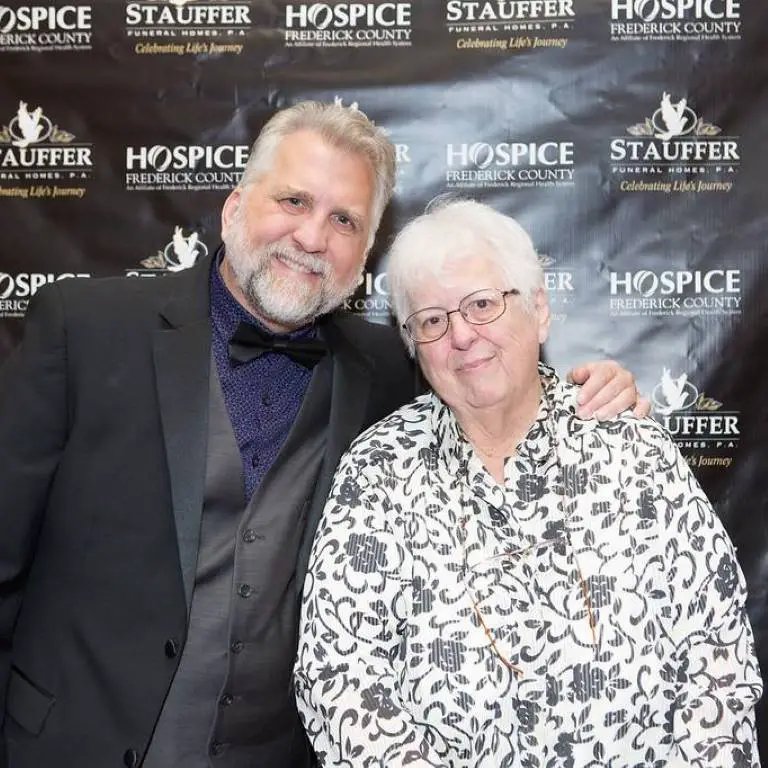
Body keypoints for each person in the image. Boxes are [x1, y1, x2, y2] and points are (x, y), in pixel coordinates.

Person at [0, 102, 644, 768]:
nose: (312, 237)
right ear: (234, 208)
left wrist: (589, 398)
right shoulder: (86, 330)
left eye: (344, 220)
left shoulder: (396, 371)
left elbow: (493, 388)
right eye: (293, 200)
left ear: (365, 253)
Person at [294, 199, 762, 768]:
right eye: (433, 320)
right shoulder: (378, 469)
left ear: (538, 309)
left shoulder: (631, 448)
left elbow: (715, 651)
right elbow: (339, 676)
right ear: (413, 344)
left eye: (483, 304)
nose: (461, 335)